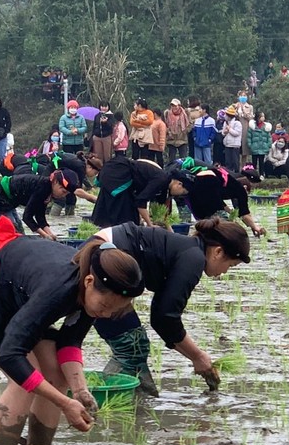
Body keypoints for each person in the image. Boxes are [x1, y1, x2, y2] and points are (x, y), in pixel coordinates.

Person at [0, 216, 144, 445]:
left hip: (19, 294)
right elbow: (10, 355)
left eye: (114, 311)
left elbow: (70, 340)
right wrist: (64, 403)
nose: (104, 314)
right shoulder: (58, 291)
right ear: (89, 281)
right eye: (104, 307)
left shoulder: (93, 291)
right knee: (23, 378)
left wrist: (80, 389)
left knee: (57, 372)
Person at [92, 218, 251, 396]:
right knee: (130, 345)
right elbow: (166, 317)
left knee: (134, 344)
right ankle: (107, 402)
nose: (225, 272)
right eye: (230, 265)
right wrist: (198, 356)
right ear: (218, 252)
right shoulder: (194, 259)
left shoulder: (188, 251)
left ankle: (139, 401)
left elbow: (161, 317)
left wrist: (195, 358)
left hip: (103, 254)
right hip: (103, 262)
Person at [168, 164, 265, 236]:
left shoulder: (233, 179)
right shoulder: (240, 189)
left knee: (204, 218)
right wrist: (255, 227)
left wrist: (230, 212)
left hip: (195, 182)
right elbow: (244, 213)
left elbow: (219, 201)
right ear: (245, 186)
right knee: (220, 221)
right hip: (207, 180)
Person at [0, 169, 85, 237]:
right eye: (63, 191)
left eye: (66, 193)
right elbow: (27, 217)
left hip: (10, 202)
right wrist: (45, 236)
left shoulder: (48, 191)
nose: (63, 195)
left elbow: (39, 216)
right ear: (55, 182)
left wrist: (51, 234)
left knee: (19, 230)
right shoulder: (42, 188)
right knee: (12, 231)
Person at [91, 155, 171, 228]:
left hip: (117, 175)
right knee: (122, 217)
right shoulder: (161, 179)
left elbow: (140, 199)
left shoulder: (160, 179)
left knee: (112, 216)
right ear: (178, 184)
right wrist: (149, 224)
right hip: (119, 178)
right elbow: (140, 202)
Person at [235, 90, 255, 167]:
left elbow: (251, 118)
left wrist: (243, 111)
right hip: (236, 130)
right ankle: (236, 167)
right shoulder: (235, 106)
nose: (243, 97)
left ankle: (243, 167)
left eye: (244, 96)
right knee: (236, 151)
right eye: (241, 95)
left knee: (244, 151)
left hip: (245, 130)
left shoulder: (249, 107)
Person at [222, 105, 242, 172]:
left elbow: (236, 133)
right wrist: (225, 132)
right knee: (228, 162)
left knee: (235, 162)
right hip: (227, 144)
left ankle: (236, 174)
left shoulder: (237, 123)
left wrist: (230, 129)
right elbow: (223, 133)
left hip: (235, 145)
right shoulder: (226, 122)